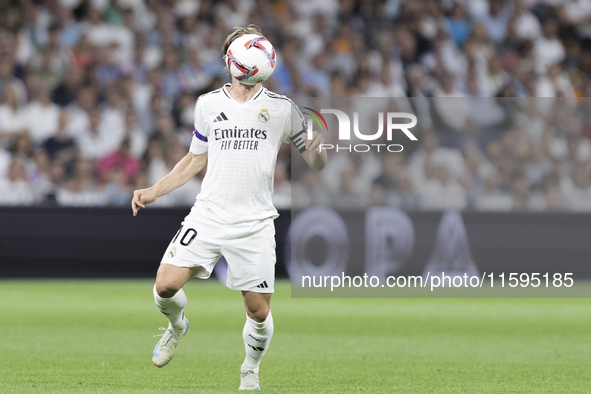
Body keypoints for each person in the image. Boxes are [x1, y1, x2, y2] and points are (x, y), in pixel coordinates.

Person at [131, 25, 326, 391]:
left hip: (254, 223)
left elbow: (316, 162)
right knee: (165, 285)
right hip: (209, 214)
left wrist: (317, 150)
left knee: (258, 310)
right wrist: (154, 190)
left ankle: (250, 369)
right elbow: (193, 161)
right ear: (231, 61)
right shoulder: (208, 104)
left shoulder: (282, 109)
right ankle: (177, 326)